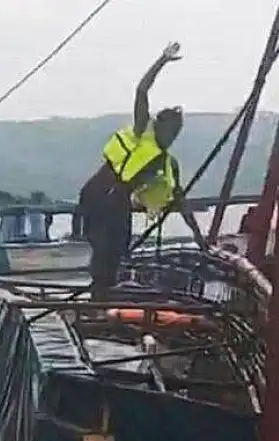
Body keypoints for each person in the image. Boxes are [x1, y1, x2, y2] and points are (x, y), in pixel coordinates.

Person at [78, 42, 205, 299]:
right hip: (98, 193)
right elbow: (141, 90)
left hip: (118, 203)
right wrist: (162, 60)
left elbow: (180, 199)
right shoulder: (141, 130)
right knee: (104, 251)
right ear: (159, 126)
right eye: (170, 129)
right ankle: (97, 300)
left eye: (177, 132)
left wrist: (201, 238)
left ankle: (104, 299)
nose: (172, 136)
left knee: (118, 253)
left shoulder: (168, 164)